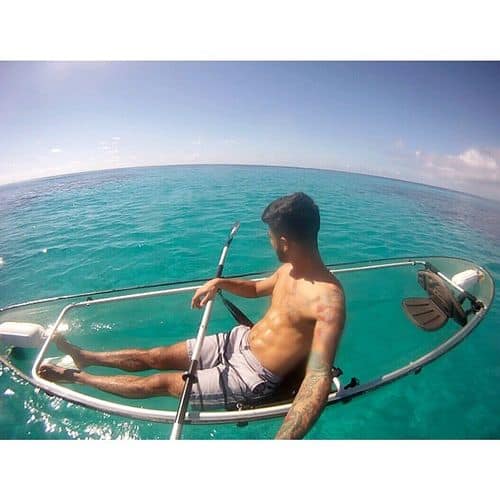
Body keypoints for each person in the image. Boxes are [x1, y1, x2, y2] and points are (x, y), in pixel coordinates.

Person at [39, 192, 345, 439]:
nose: (269, 240)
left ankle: (78, 377)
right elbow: (256, 288)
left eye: (271, 235)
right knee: (156, 356)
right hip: (240, 340)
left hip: (252, 376)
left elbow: (317, 376)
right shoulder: (289, 269)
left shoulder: (328, 301)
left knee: (159, 383)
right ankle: (85, 356)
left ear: (285, 242)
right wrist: (220, 282)